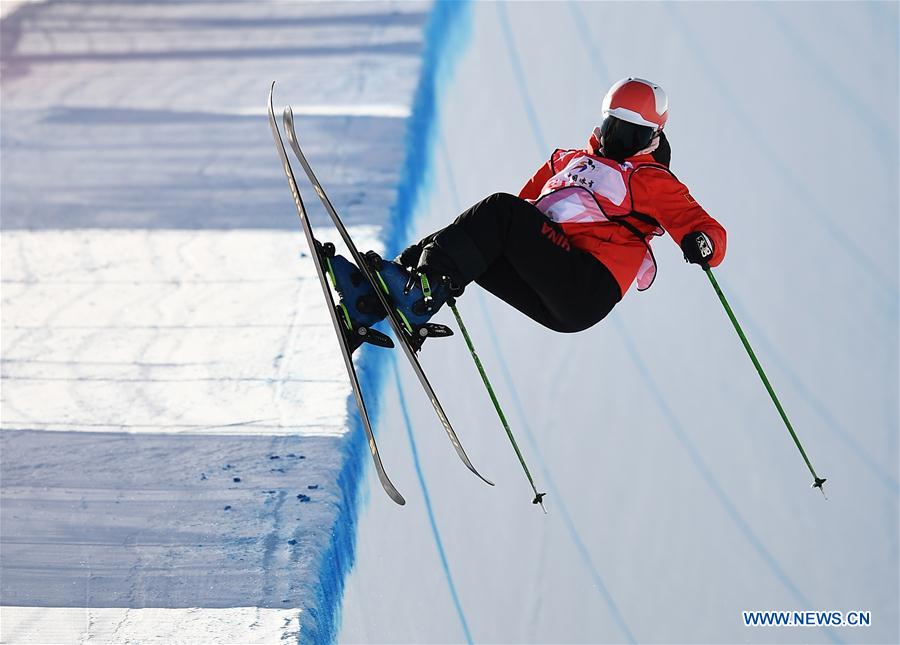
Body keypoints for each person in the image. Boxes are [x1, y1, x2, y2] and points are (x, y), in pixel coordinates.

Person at [330, 77, 727, 344]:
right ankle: (373, 301)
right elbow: (516, 220)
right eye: (614, 127)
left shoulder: (649, 178)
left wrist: (702, 243)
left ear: (653, 137)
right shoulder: (566, 161)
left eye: (632, 134)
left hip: (587, 285)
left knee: (499, 211)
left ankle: (419, 297)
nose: (618, 140)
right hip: (551, 280)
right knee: (457, 240)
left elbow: (705, 227)